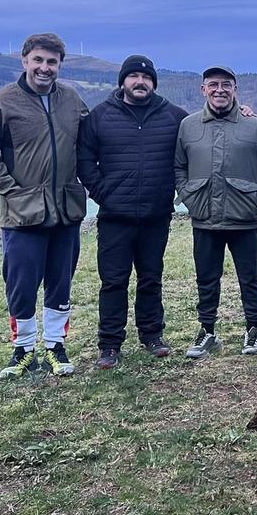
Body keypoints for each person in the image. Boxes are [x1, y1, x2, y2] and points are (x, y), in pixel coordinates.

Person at [0, 32, 90, 378]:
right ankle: (23, 349)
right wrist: (10, 189)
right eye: (38, 60)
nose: (44, 67)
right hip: (22, 213)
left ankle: (55, 346)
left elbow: (93, 136)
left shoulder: (71, 99)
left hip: (66, 209)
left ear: (59, 66)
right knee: (21, 283)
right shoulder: (5, 101)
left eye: (51, 62)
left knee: (60, 281)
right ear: (24, 61)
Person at [77, 55, 187, 369]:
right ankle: (110, 344)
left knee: (151, 278)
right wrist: (103, 193)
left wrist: (243, 113)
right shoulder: (99, 117)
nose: (140, 82)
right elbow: (84, 159)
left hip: (156, 215)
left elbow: (203, 135)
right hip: (115, 218)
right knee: (113, 281)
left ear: (154, 82)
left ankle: (152, 335)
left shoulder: (174, 117)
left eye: (146, 77)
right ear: (123, 81)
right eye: (134, 77)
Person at [175, 65, 257, 356]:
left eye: (226, 84)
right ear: (203, 89)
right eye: (213, 84)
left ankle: (254, 330)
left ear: (235, 89)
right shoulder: (189, 126)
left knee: (250, 277)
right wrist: (188, 196)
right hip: (204, 219)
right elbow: (178, 166)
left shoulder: (254, 126)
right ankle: (207, 331)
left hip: (243, 219)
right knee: (206, 278)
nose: (219, 90)